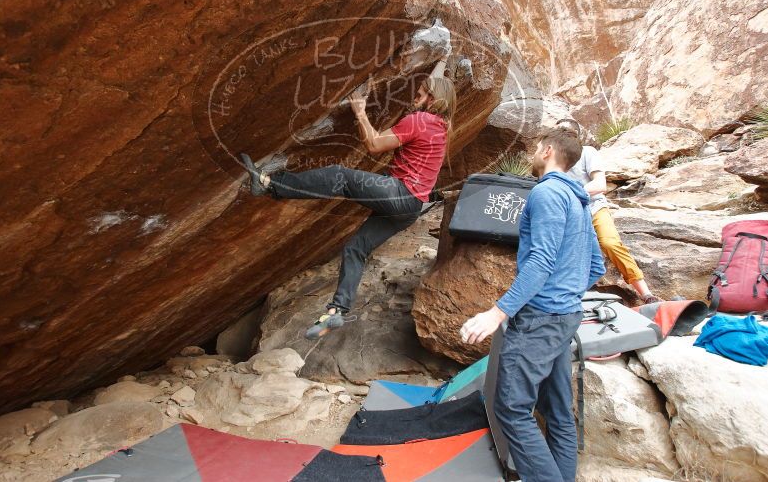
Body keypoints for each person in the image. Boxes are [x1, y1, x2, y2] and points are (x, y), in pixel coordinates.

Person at [240, 74, 456, 339]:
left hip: (400, 194)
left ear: (433, 100)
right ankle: (337, 311)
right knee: (356, 248)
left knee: (338, 176)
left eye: (421, 94)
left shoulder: (421, 120)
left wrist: (360, 112)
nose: (415, 97)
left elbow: (374, 144)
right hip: (411, 208)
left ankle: (268, 184)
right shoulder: (441, 126)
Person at [460, 127, 605, 482]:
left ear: (548, 151)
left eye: (537, 147)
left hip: (540, 320)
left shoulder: (545, 194)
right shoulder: (578, 200)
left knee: (511, 408)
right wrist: (566, 293)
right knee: (557, 412)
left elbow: (540, 261)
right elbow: (596, 265)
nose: (533, 153)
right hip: (565, 316)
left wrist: (497, 313)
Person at [557, 118, 660, 304]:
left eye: (566, 132)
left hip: (594, 207)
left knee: (610, 243)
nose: (562, 136)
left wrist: (571, 192)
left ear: (576, 136)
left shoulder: (587, 152)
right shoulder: (555, 160)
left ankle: (646, 294)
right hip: (569, 213)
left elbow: (600, 184)